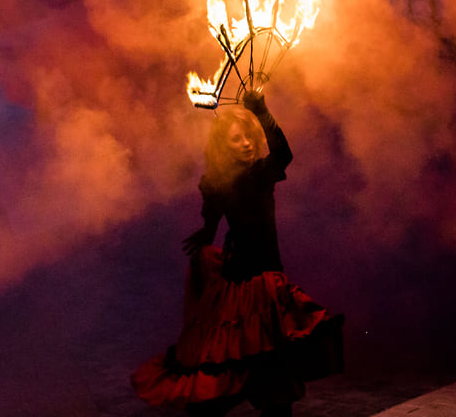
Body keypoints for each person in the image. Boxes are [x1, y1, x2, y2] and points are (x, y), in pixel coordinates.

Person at [131, 91, 344, 417]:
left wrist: (262, 110)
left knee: (274, 390)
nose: (246, 143)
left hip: (266, 286)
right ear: (221, 147)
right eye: (236, 139)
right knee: (226, 379)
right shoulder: (217, 183)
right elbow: (213, 215)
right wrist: (206, 232)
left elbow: (283, 155)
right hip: (238, 288)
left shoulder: (260, 175)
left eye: (249, 137)